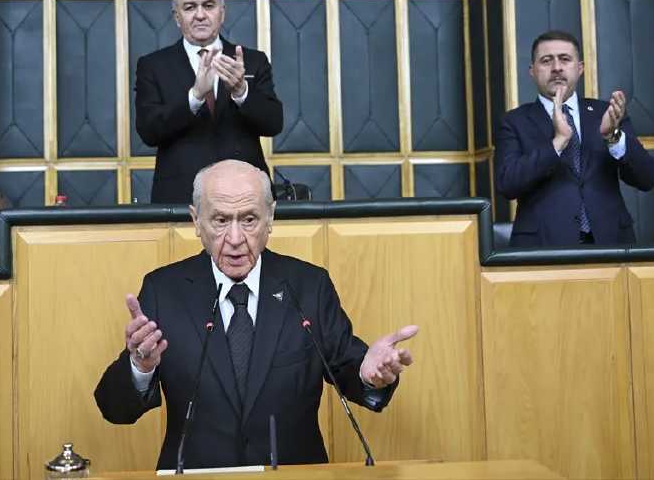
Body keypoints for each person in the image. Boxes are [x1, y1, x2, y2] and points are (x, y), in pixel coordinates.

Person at [94, 160, 419, 470]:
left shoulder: (309, 286)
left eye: (249, 219)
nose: (236, 239)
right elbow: (116, 409)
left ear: (270, 217)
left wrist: (369, 374)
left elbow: (350, 368)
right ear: (196, 221)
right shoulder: (164, 290)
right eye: (220, 220)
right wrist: (140, 367)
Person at [495, 30, 654, 246]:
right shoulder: (514, 121)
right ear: (532, 71)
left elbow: (647, 178)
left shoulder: (607, 113)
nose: (556, 68)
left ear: (579, 68)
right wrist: (558, 142)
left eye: (565, 59)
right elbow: (507, 184)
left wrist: (613, 136)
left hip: (611, 243)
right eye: (546, 61)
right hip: (543, 247)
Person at [135, 0, 283, 204]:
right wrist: (194, 97)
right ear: (177, 17)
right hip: (180, 196)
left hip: (245, 196)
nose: (200, 15)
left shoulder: (253, 61)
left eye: (209, 5)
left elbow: (274, 123)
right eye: (190, 7)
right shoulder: (153, 65)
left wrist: (241, 92)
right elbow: (148, 131)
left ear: (222, 12)